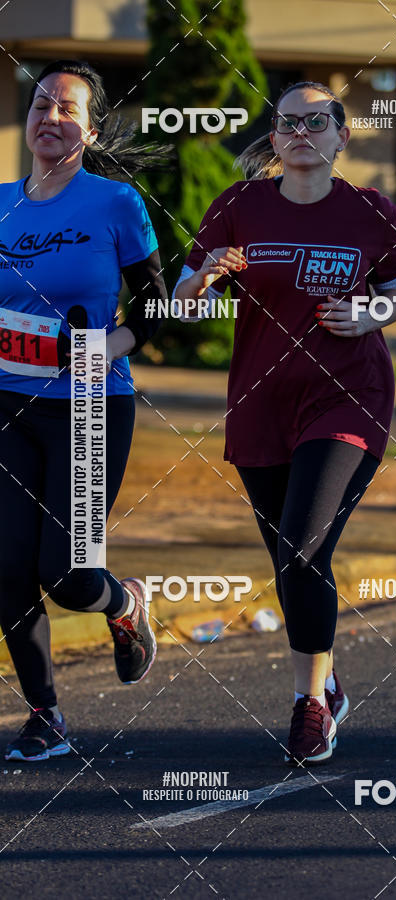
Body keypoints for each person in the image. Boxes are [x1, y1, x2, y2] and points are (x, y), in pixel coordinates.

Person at [173, 81, 396, 765]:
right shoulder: (239, 206)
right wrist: (202, 281)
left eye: (318, 122)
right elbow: (181, 302)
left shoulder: (370, 212)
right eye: (289, 123)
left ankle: (310, 707)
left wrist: (366, 315)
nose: (302, 132)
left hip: (348, 398)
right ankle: (328, 679)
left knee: (303, 548)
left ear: (341, 137)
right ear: (274, 139)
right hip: (260, 405)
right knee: (290, 559)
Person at [0, 60, 168, 762]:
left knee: (66, 577)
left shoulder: (117, 204)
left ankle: (124, 605)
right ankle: (46, 715)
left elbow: (158, 304)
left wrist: (108, 346)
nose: (50, 117)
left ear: (91, 128)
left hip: (92, 407)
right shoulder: (2, 201)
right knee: (7, 569)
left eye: (67, 108)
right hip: (8, 402)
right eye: (41, 104)